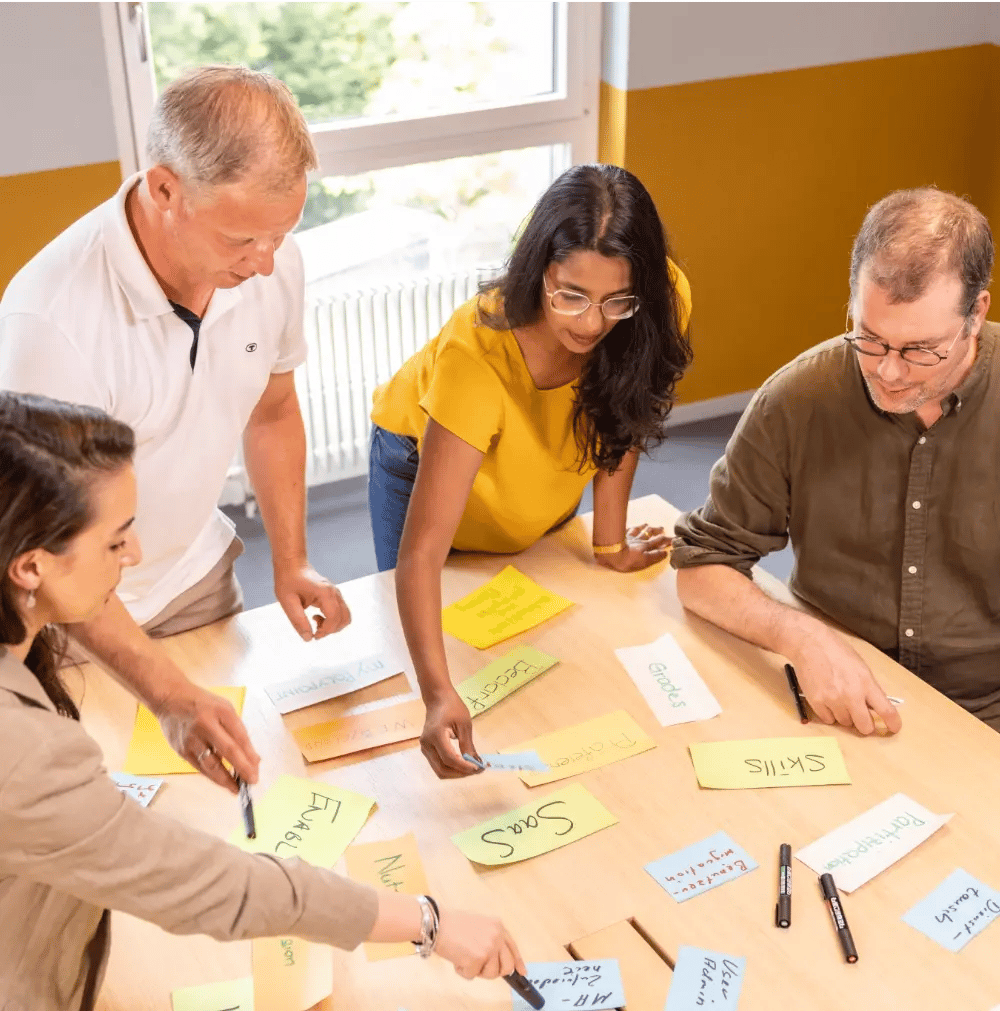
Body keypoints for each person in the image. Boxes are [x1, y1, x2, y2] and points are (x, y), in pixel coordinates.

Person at [0, 391, 524, 1011]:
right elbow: (207, 886)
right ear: (30, 567)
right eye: (115, 542)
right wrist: (427, 920)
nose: (134, 555)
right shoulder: (23, 749)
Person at [0, 66, 351, 793]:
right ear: (164, 190)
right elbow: (50, 549)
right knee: (110, 826)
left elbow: (273, 410)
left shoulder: (270, 260)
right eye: (242, 238)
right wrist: (165, 693)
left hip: (195, 575)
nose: (264, 263)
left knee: (234, 800)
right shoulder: (49, 323)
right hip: (69, 626)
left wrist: (292, 560)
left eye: (280, 234)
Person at [368, 164, 693, 777]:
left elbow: (620, 413)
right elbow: (421, 555)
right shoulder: (476, 352)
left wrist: (608, 544)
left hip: (537, 451)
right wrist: (438, 695)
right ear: (536, 269)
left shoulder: (654, 300)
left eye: (614, 301)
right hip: (417, 458)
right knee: (422, 638)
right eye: (570, 295)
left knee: (535, 642)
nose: (592, 324)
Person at [672, 186, 999, 735]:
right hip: (836, 700)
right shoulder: (798, 399)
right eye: (869, 338)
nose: (889, 373)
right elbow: (704, 566)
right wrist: (801, 636)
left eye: (921, 350)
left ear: (977, 312)